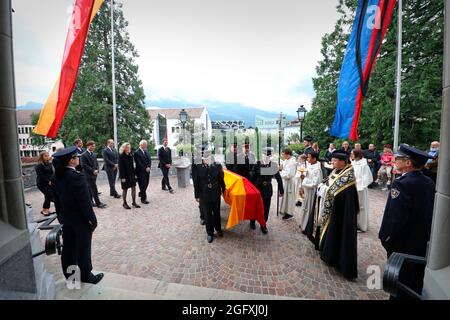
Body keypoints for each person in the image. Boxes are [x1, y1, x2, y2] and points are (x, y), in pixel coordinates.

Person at [379, 144, 435, 299]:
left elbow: (394, 215)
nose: (395, 160)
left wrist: (386, 237)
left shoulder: (402, 183)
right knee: (415, 278)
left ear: (408, 163)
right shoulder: (429, 182)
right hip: (421, 239)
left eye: (399, 158)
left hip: (402, 241)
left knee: (399, 279)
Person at [52, 146, 104, 284]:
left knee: (69, 248)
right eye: (76, 157)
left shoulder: (57, 175)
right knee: (83, 248)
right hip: (80, 220)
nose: (78, 158)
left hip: (66, 218)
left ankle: (71, 276)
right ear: (71, 161)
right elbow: (85, 202)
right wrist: (92, 220)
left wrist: (60, 216)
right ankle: (86, 275)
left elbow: (56, 200)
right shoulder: (76, 177)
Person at [306, 150, 359, 279]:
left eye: (335, 161)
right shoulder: (336, 171)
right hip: (329, 209)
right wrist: (322, 187)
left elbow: (341, 194)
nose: (332, 162)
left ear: (343, 162)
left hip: (339, 214)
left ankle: (334, 257)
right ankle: (324, 248)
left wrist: (325, 190)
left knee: (336, 231)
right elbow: (328, 183)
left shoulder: (348, 177)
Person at [194, 149, 226, 243]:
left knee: (216, 212)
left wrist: (223, 190)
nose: (206, 160)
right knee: (207, 214)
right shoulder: (198, 167)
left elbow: (221, 179)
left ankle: (218, 229)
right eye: (205, 159)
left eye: (208, 158)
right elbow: (196, 182)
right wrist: (197, 195)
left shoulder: (217, 166)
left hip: (215, 193)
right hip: (204, 194)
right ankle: (210, 233)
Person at [250, 147, 284, 234]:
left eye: (268, 155)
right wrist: (251, 188)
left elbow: (278, 178)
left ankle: (263, 224)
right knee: (255, 206)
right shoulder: (257, 164)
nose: (266, 157)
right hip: (257, 189)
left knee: (266, 208)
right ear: (262, 155)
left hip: (267, 189)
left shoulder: (273, 165)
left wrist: (281, 190)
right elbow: (252, 177)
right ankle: (252, 220)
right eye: (265, 155)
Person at [299, 151, 323, 232]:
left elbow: (315, 183)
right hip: (307, 190)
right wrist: (302, 178)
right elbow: (307, 176)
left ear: (314, 158)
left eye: (309, 157)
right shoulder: (310, 165)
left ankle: (308, 227)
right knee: (305, 208)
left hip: (312, 192)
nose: (307, 159)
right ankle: (303, 223)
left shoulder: (317, 169)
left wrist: (304, 181)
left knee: (309, 209)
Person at [351, 149, 373, 232]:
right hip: (354, 187)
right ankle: (355, 223)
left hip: (361, 188)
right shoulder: (353, 163)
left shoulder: (364, 165)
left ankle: (361, 225)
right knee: (354, 206)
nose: (351, 155)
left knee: (361, 206)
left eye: (352, 154)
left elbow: (368, 178)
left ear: (357, 154)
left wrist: (359, 185)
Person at [80, 141, 106, 208]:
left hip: (94, 174)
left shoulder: (94, 154)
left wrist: (97, 170)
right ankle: (98, 203)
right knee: (94, 189)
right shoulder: (83, 155)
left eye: (94, 146)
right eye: (92, 146)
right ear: (88, 146)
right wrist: (93, 170)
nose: (94, 147)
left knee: (90, 189)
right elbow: (84, 165)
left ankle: (91, 202)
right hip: (88, 175)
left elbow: (96, 163)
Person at [118, 142, 140, 209]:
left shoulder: (131, 155)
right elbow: (120, 167)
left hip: (131, 175)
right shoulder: (121, 156)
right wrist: (122, 177)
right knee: (125, 189)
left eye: (129, 147)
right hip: (125, 176)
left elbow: (132, 166)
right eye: (127, 147)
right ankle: (124, 203)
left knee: (134, 188)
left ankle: (134, 202)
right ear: (124, 148)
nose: (128, 148)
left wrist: (135, 174)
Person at [279, 148, 297, 220]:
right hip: (286, 182)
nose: (283, 156)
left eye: (284, 154)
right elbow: (282, 166)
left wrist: (281, 171)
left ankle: (289, 213)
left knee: (289, 198)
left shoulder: (292, 162)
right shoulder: (287, 160)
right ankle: (285, 210)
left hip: (290, 182)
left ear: (288, 154)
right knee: (285, 197)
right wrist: (280, 167)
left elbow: (288, 175)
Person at [35, 151, 55, 216]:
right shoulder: (39, 165)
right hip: (42, 183)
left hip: (49, 182)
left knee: (47, 195)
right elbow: (41, 175)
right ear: (42, 157)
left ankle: (45, 210)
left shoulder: (49, 164)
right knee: (49, 195)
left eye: (48, 155)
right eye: (45, 156)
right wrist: (48, 181)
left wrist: (52, 180)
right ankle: (45, 209)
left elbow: (51, 173)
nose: (47, 157)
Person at [134, 140, 152, 204]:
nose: (146, 146)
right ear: (141, 145)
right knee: (142, 184)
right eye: (145, 144)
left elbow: (149, 159)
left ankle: (141, 193)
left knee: (146, 183)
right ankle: (143, 199)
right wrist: (145, 168)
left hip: (147, 171)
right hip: (140, 171)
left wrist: (149, 167)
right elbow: (138, 163)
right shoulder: (136, 152)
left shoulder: (146, 151)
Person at [192, 144, 206, 225]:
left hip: (207, 184)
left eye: (201, 151)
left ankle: (207, 215)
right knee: (201, 202)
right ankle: (202, 217)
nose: (200, 152)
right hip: (199, 185)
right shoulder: (195, 160)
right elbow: (194, 176)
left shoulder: (207, 159)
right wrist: (195, 191)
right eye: (199, 150)